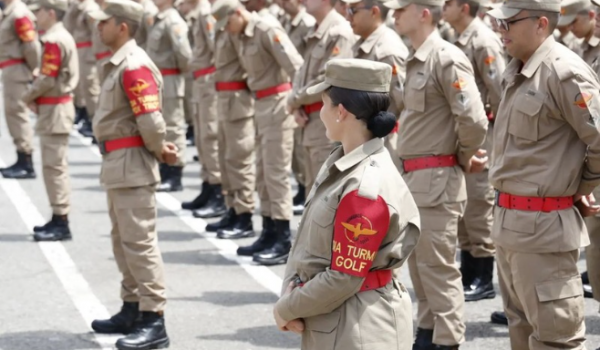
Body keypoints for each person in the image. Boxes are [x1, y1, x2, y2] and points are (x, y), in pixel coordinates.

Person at [274, 57, 420, 350]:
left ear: (340, 111)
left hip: (358, 329)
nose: (320, 113)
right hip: (337, 318)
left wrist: (286, 308)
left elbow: (344, 276)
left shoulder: (365, 187)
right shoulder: (344, 162)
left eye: (324, 105)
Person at [487, 0, 600, 348]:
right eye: (498, 23)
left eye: (508, 23)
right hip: (509, 224)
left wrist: (576, 185)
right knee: (520, 332)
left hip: (544, 227)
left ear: (541, 24)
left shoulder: (564, 72)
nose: (499, 30)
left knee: (555, 340)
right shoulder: (519, 69)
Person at [384, 0, 489, 348]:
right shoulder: (417, 59)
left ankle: (447, 340)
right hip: (416, 177)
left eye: (400, 10)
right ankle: (428, 333)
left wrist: (458, 158)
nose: (394, 16)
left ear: (423, 13)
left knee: (439, 270)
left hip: (437, 177)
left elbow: (473, 121)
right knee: (421, 267)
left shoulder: (446, 57)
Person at [88, 0, 179, 348]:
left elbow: (151, 120)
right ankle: (131, 307)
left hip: (131, 162)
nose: (99, 27)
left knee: (139, 244)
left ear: (122, 26)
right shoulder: (119, 63)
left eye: (104, 22)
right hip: (117, 162)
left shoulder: (134, 64)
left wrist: (160, 148)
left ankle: (154, 319)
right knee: (122, 241)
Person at [212, 0, 304, 264]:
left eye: (228, 23)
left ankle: (284, 238)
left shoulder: (265, 28)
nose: (227, 30)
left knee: (275, 173)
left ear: (238, 13)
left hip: (278, 103)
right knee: (263, 172)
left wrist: (296, 102)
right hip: (260, 104)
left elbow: (296, 66)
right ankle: (269, 230)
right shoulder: (242, 33)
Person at [443, 0, 506, 302]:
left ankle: (483, 278)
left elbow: (500, 93)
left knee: (479, 206)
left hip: (483, 133)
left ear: (465, 6)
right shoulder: (458, 37)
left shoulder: (482, 40)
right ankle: (469, 273)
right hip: (462, 133)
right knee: (465, 207)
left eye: (449, 3)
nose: (443, 7)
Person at [286, 0, 355, 197]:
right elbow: (302, 72)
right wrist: (297, 104)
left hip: (327, 119)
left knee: (324, 194)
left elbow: (328, 78)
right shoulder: (317, 29)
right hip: (311, 118)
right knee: (312, 190)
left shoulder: (339, 31)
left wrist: (295, 100)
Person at [23, 0, 78, 241]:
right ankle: (58, 217)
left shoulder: (54, 40)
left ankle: (61, 220)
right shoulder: (59, 36)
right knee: (54, 167)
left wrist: (27, 96)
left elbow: (47, 78)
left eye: (40, 12)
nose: (36, 18)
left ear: (51, 13)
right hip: (56, 108)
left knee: (54, 168)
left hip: (55, 111)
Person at [199, 23, 256, 236]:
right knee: (225, 158)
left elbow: (249, 65)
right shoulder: (225, 27)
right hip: (224, 99)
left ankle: (244, 216)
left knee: (239, 159)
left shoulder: (235, 30)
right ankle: (232, 209)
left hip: (237, 100)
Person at [344, 0, 408, 171]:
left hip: (384, 143)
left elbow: (404, 102)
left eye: (353, 10)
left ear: (374, 12)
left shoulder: (387, 50)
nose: (347, 16)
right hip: (368, 142)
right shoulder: (365, 44)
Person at [181, 0, 226, 214]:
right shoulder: (200, 13)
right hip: (201, 81)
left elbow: (215, 51)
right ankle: (208, 185)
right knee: (201, 137)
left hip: (209, 81)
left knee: (210, 136)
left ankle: (218, 191)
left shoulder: (207, 14)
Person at [144, 0, 192, 192]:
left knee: (173, 126)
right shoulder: (159, 18)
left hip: (170, 78)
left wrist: (177, 72)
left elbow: (185, 55)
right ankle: (165, 167)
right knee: (161, 124)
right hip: (159, 78)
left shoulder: (172, 20)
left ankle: (175, 172)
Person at [280, 0, 315, 215]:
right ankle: (302, 188)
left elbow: (299, 63)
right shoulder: (288, 21)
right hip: (297, 91)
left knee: (303, 151)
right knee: (296, 149)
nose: (284, 3)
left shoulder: (307, 23)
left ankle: (304, 189)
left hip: (305, 92)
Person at [0, 0, 41, 179]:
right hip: (11, 69)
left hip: (18, 69)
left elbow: (30, 45)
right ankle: (21, 158)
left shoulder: (18, 13)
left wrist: (33, 68)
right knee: (13, 115)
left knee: (17, 114)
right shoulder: (10, 12)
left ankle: (26, 162)